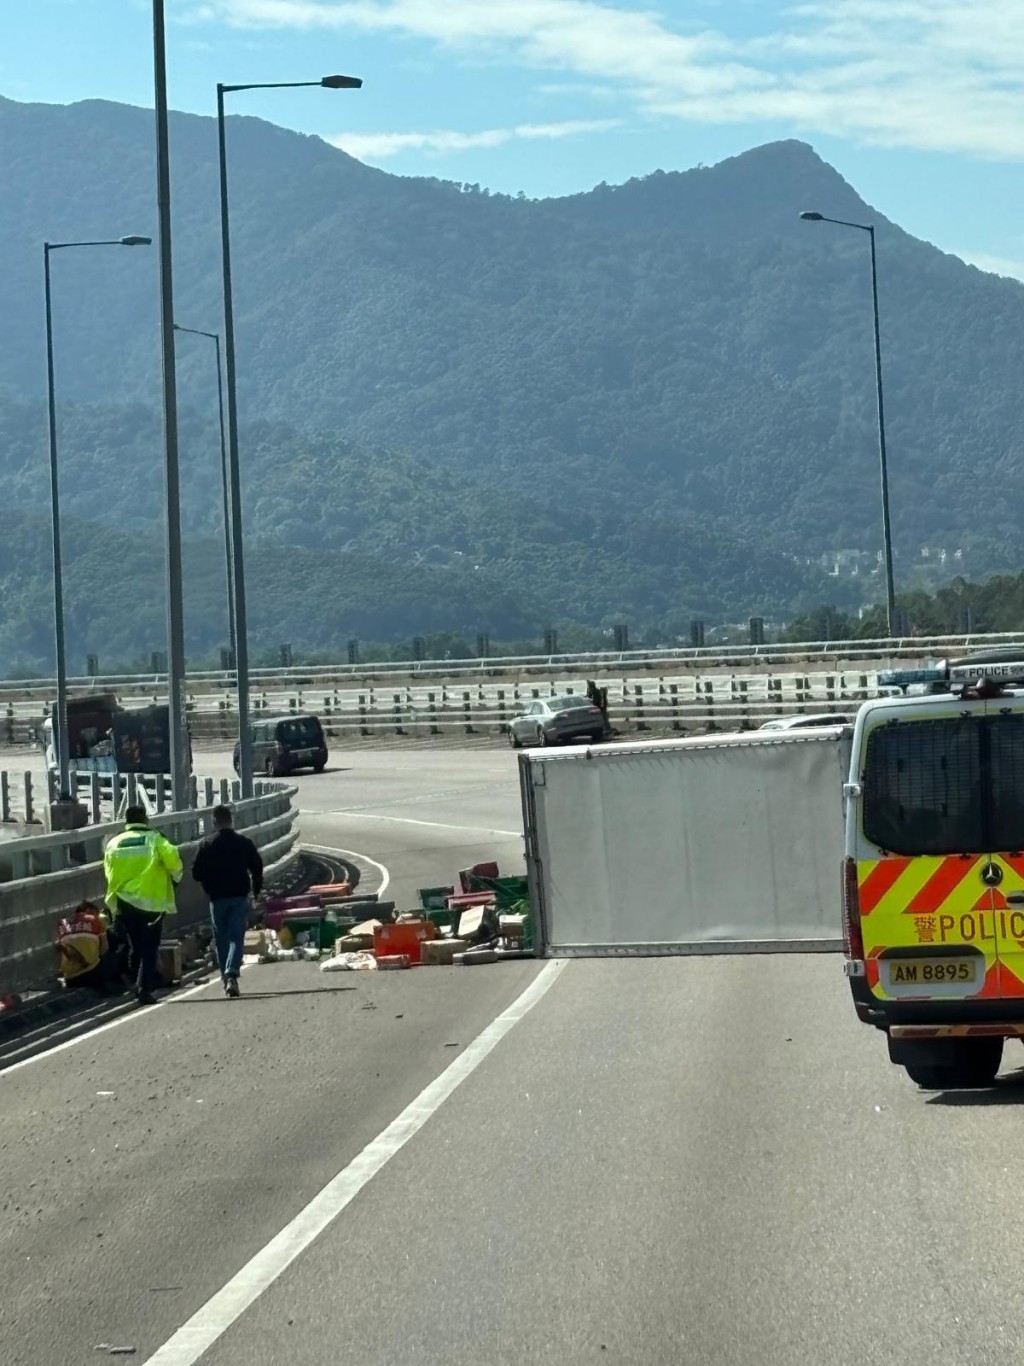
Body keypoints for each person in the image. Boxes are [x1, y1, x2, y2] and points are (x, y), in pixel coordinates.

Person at [103, 804, 183, 1006]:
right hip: (150, 904)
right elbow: (174, 861)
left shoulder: (114, 843)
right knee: (149, 948)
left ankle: (132, 981)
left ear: (126, 822)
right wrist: (175, 879)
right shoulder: (155, 839)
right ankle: (143, 988)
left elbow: (108, 871)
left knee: (135, 946)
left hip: (123, 903)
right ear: (146, 820)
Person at [191, 804, 263, 998]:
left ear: (214, 822)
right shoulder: (243, 842)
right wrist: (256, 892)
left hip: (217, 899)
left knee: (222, 939)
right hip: (239, 897)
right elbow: (257, 867)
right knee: (236, 937)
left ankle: (226, 979)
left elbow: (196, 873)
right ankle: (232, 973)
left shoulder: (206, 844)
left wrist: (209, 881)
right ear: (231, 821)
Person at [56, 900, 119, 994]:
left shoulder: (62, 924)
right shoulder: (94, 919)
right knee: (116, 951)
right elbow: (104, 949)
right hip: (92, 973)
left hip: (70, 978)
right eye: (97, 912)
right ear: (89, 910)